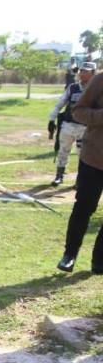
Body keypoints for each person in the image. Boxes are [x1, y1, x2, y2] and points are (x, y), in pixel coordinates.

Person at [57, 70, 103, 274]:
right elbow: (78, 110)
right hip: (94, 158)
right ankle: (70, 254)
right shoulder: (99, 80)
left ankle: (99, 260)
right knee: (84, 207)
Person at [48, 62, 96, 186]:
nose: (82, 73)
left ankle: (79, 180)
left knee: (83, 155)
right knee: (63, 151)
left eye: (86, 71)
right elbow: (60, 103)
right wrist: (52, 119)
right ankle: (59, 176)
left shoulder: (96, 90)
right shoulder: (72, 88)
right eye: (81, 71)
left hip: (85, 128)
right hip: (68, 125)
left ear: (93, 74)